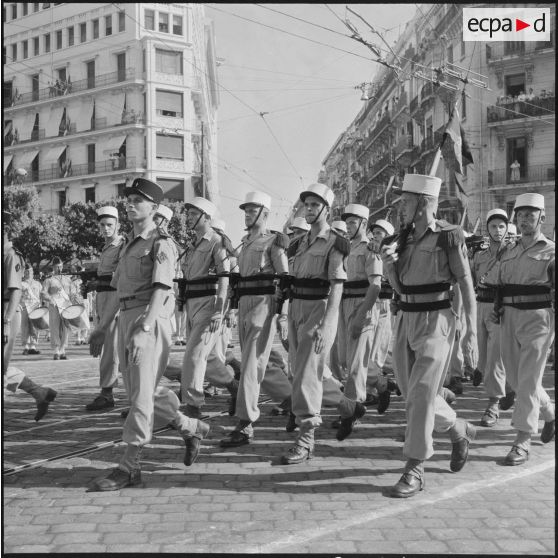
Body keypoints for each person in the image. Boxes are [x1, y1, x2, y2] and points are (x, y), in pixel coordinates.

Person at [88, 178, 209, 491]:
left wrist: (143, 329)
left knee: (140, 398)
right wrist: (102, 327)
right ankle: (190, 427)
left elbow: (161, 288)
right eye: (129, 198)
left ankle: (129, 467)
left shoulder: (161, 243)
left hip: (149, 320)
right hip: (128, 318)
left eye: (138, 200)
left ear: (155, 208)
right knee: (146, 391)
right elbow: (117, 289)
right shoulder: (129, 243)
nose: (131, 204)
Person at [380, 173, 478, 498]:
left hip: (437, 320)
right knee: (414, 396)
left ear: (422, 203)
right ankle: (457, 428)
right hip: (405, 318)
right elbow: (400, 288)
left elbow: (465, 283)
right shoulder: (400, 240)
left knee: (421, 394)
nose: (401, 208)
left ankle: (414, 469)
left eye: (406, 201)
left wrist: (470, 333)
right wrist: (388, 266)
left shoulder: (448, 237)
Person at [282, 183, 348, 464]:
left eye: (313, 205)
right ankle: (349, 407)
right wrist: (283, 315)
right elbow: (290, 283)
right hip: (296, 308)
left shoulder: (336, 241)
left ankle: (306, 437)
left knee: (308, 374)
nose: (308, 210)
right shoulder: (298, 242)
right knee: (298, 371)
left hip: (317, 310)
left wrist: (327, 324)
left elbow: (337, 287)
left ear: (326, 209)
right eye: (305, 205)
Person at [220, 192, 289, 448]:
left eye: (252, 210)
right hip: (246, 305)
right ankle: (291, 400)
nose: (247, 215)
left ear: (265, 214)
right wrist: (232, 308)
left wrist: (282, 313)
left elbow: (285, 279)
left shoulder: (275, 242)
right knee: (259, 364)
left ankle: (245, 424)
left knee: (251, 364)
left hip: (264, 304)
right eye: (246, 211)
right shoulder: (245, 242)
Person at [494, 193, 555, 465]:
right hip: (509, 317)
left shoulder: (552, 251)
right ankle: (550, 412)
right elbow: (500, 285)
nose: (524, 220)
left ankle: (522, 439)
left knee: (528, 380)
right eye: (520, 215)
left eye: (530, 215)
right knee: (518, 381)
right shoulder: (507, 250)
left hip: (538, 320)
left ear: (541, 218)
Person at [179, 197, 237, 420]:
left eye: (194, 214)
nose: (189, 218)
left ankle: (193, 408)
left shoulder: (217, 241)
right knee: (209, 359)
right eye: (189, 214)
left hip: (209, 303)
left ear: (207, 217)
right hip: (192, 304)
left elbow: (224, 277)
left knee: (194, 357)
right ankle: (235, 387)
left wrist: (219, 310)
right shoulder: (192, 245)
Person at [334, 203, 382, 440]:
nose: (349, 226)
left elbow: (375, 285)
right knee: (343, 359)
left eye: (353, 222)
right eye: (348, 222)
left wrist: (362, 315)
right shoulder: (346, 247)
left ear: (364, 224)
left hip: (361, 305)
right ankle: (368, 395)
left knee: (354, 365)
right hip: (343, 305)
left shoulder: (370, 248)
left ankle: (349, 413)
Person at [3, 221, 57, 421]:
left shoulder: (9, 255)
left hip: (6, 310)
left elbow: (15, 290)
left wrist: (6, 321)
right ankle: (39, 393)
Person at [470, 209, 511, 427]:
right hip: (480, 306)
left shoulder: (512, 253)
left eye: (501, 226)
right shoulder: (479, 255)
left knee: (496, 359)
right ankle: (509, 386)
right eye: (493, 226)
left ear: (507, 228)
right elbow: (471, 280)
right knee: (483, 356)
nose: (497, 230)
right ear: (487, 229)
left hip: (500, 309)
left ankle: (493, 405)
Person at [85, 206, 125, 412]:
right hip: (102, 297)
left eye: (110, 224)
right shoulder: (106, 246)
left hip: (113, 299)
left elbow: (118, 278)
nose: (106, 228)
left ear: (118, 224)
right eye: (102, 225)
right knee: (113, 349)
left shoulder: (121, 244)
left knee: (111, 348)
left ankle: (107, 393)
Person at [367, 219, 400, 413]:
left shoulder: (391, 253)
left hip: (385, 303)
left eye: (380, 233)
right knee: (366, 350)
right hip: (370, 303)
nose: (375, 236)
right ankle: (377, 386)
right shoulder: (368, 250)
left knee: (378, 349)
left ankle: (378, 388)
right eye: (374, 232)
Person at [41, 256, 79, 360]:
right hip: (54, 305)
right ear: (53, 267)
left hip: (66, 305)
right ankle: (56, 350)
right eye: (57, 267)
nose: (59, 269)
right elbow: (43, 293)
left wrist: (74, 301)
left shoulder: (67, 279)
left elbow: (73, 292)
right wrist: (50, 299)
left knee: (65, 327)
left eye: (60, 266)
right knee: (55, 327)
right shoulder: (49, 280)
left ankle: (63, 349)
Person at [20, 263, 43, 355]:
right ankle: (26, 346)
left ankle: (33, 346)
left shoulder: (37, 283)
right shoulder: (21, 283)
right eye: (26, 271)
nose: (28, 273)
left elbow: (41, 295)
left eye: (30, 271)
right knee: (25, 327)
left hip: (35, 307)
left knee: (35, 327)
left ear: (33, 272)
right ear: (23, 273)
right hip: (24, 307)